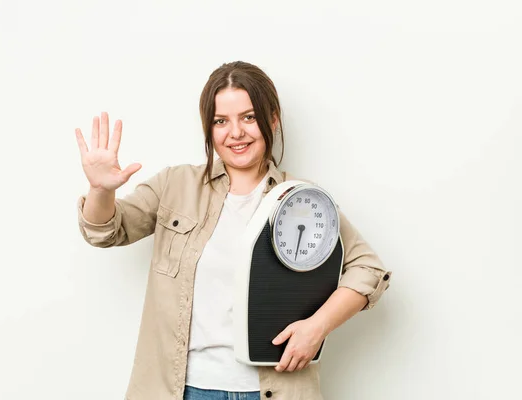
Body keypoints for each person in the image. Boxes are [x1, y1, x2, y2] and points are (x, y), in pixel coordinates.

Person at [74, 61, 391, 400]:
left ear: (272, 120)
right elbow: (106, 230)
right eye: (221, 121)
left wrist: (318, 327)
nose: (235, 132)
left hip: (273, 390)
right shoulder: (175, 185)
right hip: (183, 390)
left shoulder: (303, 200)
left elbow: (367, 268)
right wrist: (101, 190)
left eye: (249, 117)